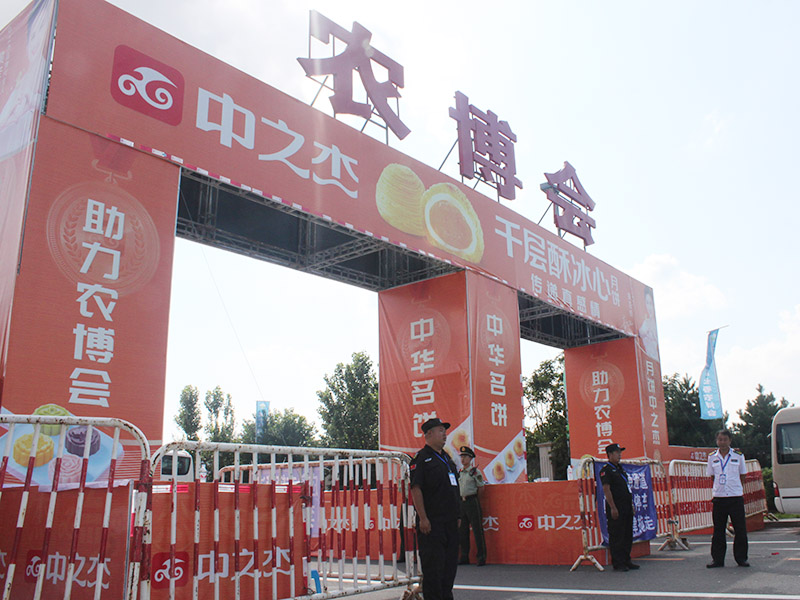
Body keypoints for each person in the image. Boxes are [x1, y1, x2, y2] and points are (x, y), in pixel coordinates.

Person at [409, 417, 461, 600]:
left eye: (445, 431)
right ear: (429, 434)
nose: (444, 434)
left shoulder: (447, 458)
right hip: (432, 523)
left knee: (449, 568)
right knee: (434, 570)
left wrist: (458, 515)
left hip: (450, 522)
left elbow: (455, 488)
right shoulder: (421, 459)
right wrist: (423, 518)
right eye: (440, 430)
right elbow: (416, 488)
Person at [706, 429, 749, 568]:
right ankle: (717, 560)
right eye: (720, 440)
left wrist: (735, 487)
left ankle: (741, 558)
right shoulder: (712, 457)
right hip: (719, 498)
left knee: (740, 529)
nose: (722, 442)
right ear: (716, 441)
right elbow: (712, 476)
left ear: (730, 440)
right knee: (718, 530)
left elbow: (742, 475)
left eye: (725, 440)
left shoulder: (738, 456)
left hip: (735, 497)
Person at [600, 443, 639, 572]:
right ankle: (618, 562)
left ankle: (627, 559)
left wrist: (631, 504)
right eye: (617, 452)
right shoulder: (606, 470)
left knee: (627, 534)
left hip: (626, 505)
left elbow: (627, 488)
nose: (619, 455)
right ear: (610, 454)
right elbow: (606, 489)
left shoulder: (620, 469)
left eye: (620, 452)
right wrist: (613, 507)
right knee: (617, 535)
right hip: (616, 506)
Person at [457, 446, 486, 566]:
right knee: (462, 531)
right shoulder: (460, 473)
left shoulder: (475, 472)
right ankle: (464, 556)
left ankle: (481, 556)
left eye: (465, 457)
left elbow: (481, 488)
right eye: (462, 457)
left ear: (470, 458)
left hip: (472, 500)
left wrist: (476, 499)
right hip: (462, 502)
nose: (463, 459)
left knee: (477, 530)